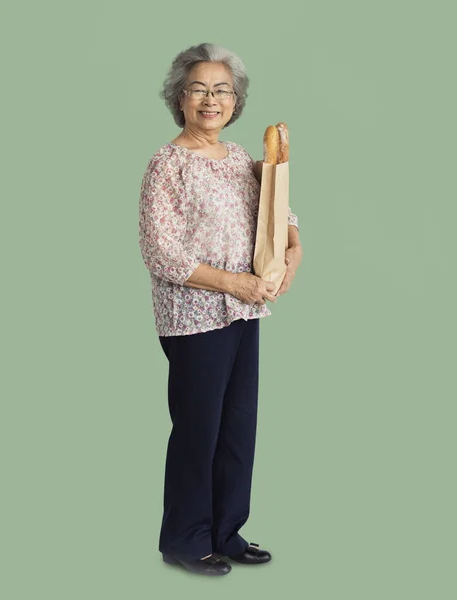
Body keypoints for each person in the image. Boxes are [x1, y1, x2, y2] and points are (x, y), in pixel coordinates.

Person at [138, 42, 303, 576]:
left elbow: (279, 206)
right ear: (179, 100)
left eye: (222, 90)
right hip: (194, 316)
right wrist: (235, 283)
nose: (211, 99)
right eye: (199, 89)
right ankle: (185, 539)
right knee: (198, 428)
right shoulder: (167, 164)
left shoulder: (239, 159)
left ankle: (226, 531)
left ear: (236, 101)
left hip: (244, 312)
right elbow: (161, 252)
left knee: (238, 425)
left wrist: (294, 245)